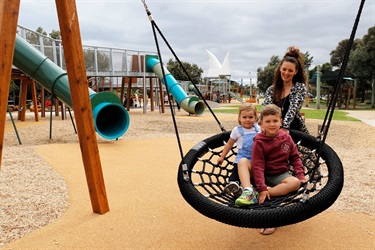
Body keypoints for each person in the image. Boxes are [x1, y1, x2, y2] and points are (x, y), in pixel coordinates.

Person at [248, 104, 307, 235]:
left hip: (280, 174)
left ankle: (263, 194)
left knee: (295, 183)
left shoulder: (286, 138)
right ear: (261, 123)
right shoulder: (259, 141)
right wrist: (262, 186)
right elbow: (257, 166)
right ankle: (263, 193)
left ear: (281, 122)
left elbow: (295, 157)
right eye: (267, 121)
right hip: (262, 175)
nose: (272, 124)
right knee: (245, 164)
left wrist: (300, 174)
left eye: (275, 121)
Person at [217, 103, 260, 197]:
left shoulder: (258, 129)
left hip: (256, 158)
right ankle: (234, 185)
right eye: (244, 117)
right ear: (239, 118)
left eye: (251, 117)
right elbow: (229, 143)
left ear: (256, 118)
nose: (247, 120)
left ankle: (248, 188)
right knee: (236, 173)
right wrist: (222, 156)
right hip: (242, 157)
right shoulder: (237, 130)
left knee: (257, 177)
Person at [262, 46, 309, 134]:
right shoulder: (271, 90)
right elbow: (266, 109)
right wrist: (261, 124)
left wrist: (284, 127)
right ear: (280, 68)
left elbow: (293, 108)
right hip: (272, 128)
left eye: (290, 71)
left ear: (295, 72)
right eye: (284, 69)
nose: (286, 73)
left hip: (293, 128)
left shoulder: (300, 88)